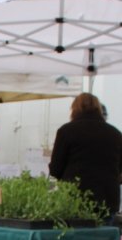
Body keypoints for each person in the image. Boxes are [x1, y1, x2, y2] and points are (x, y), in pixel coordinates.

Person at [49, 92, 122, 220]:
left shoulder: (66, 131)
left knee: (76, 238)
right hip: (107, 201)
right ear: (99, 109)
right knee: (104, 238)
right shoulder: (116, 134)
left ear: (74, 109)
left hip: (75, 199)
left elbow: (55, 169)